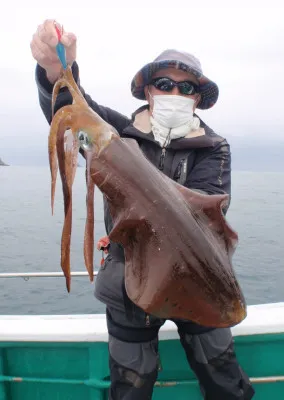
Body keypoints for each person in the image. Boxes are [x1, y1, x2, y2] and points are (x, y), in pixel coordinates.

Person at [30, 19, 255, 400]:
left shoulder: (213, 148)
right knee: (130, 384)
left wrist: (123, 161)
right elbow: (73, 114)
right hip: (127, 283)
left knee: (223, 375)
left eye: (186, 88)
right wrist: (56, 70)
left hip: (195, 274)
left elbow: (201, 213)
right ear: (148, 91)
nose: (175, 92)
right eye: (165, 85)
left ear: (197, 98)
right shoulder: (117, 132)